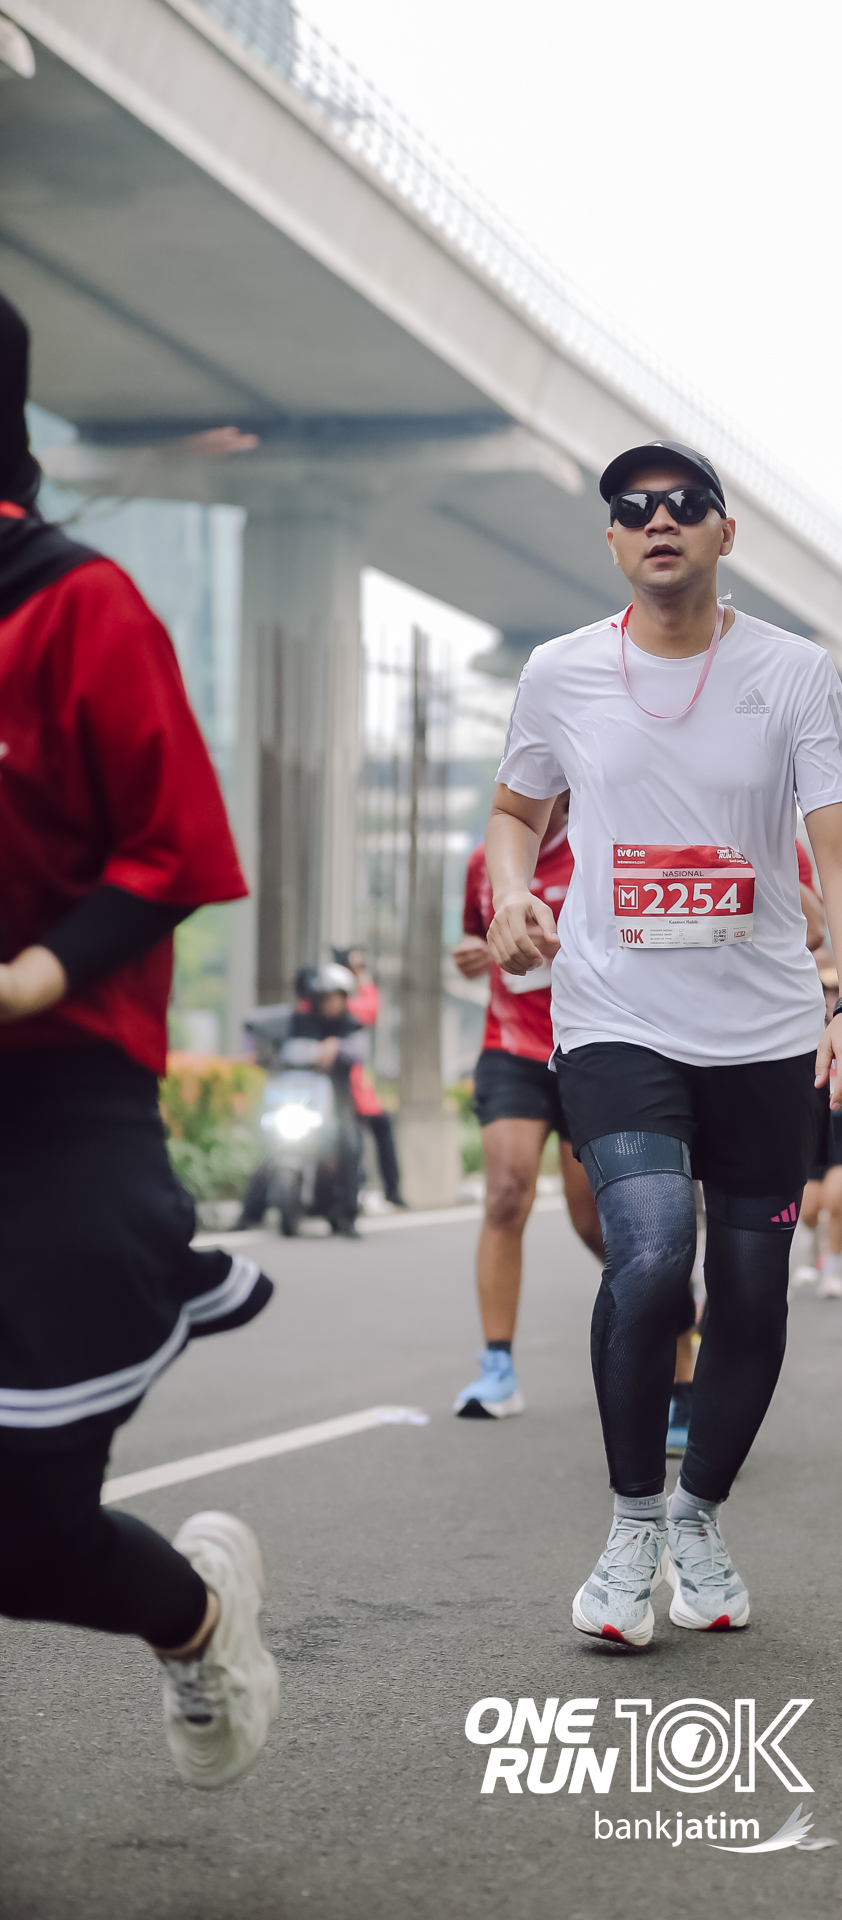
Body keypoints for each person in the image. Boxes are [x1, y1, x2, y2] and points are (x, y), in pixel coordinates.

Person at [485, 438, 842, 1644]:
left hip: (762, 1030)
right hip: (615, 1017)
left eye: (684, 504)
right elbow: (515, 809)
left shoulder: (793, 674)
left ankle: (698, 1517)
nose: (659, 519)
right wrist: (512, 890)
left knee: (752, 1289)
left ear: (722, 532)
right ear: (611, 539)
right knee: (652, 1250)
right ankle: (629, 1529)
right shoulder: (560, 672)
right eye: (634, 507)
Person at [0, 290, 278, 1788]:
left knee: (23, 1535)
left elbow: (170, 846)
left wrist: (29, 980)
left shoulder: (74, 604)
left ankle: (200, 1621)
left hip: (58, 1102)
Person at [450, 793, 607, 1417]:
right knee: (505, 1193)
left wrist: (553, 945)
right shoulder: (483, 861)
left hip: (587, 1046)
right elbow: (475, 938)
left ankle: (670, 1300)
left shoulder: (600, 851)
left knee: (593, 1220)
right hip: (510, 1047)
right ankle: (497, 1369)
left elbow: (625, 950)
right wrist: (471, 953)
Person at [279, 963, 368, 1237]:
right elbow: (287, 1050)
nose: (331, 1003)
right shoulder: (301, 1021)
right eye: (325, 997)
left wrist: (338, 1047)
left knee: (350, 1145)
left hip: (338, 1104)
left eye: (336, 997)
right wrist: (316, 1050)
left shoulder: (351, 1024)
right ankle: (251, 1211)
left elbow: (360, 1050)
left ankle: (348, 1215)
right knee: (269, 1144)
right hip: (302, 1100)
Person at [795, 964, 842, 1298]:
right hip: (813, 1129)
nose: (832, 996)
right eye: (826, 990)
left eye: (837, 990)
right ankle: (815, 1244)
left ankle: (832, 1272)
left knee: (834, 1202)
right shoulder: (803, 1033)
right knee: (809, 1210)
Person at [334, 945, 405, 1208]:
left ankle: (390, 1190)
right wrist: (362, 978)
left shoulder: (345, 1002)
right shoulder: (335, 1001)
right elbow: (369, 1009)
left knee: (378, 1128)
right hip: (332, 1089)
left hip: (355, 1084)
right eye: (356, 967)